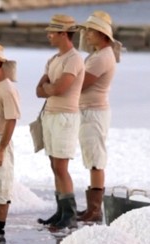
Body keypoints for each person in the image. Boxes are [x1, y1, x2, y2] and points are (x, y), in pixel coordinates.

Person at [35, 14, 85, 231]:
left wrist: (49, 88)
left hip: (65, 117)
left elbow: (58, 89)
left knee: (62, 167)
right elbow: (39, 91)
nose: (48, 35)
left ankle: (70, 214)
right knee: (54, 165)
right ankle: (61, 210)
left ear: (64, 34)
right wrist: (49, 88)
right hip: (50, 115)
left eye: (52, 32)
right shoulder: (53, 60)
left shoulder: (74, 59)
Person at [76, 10, 122, 223]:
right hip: (91, 110)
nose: (86, 35)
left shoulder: (101, 57)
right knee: (93, 158)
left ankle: (94, 210)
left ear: (102, 34)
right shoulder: (98, 55)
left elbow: (80, 84)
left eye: (90, 31)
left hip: (94, 111)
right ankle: (92, 209)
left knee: (95, 159)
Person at [0, 44, 20, 244]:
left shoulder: (7, 88)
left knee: (1, 186)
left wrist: (1, 148)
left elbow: (12, 120)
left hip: (0, 138)